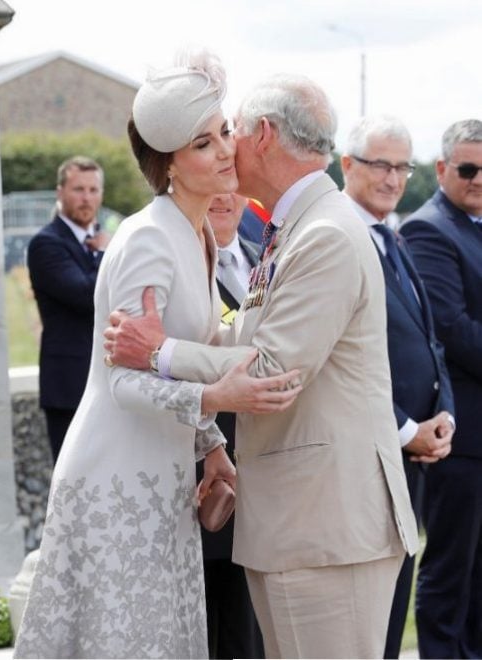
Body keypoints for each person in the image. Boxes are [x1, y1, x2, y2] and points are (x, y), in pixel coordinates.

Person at [104, 74, 419, 659]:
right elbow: (246, 335)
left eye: (232, 132)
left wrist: (158, 352)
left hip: (324, 529)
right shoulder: (298, 227)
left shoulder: (324, 233)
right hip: (303, 525)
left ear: (265, 135)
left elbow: (271, 367)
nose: (226, 148)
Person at [13, 52, 300, 659]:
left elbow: (177, 357)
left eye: (224, 132)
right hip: (116, 471)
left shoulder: (194, 231)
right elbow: (125, 381)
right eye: (204, 143)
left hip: (163, 470)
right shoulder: (147, 238)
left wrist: (213, 444)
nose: (226, 150)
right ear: (168, 162)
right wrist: (215, 401)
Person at [340, 114, 455, 658]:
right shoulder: (339, 237)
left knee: (391, 613)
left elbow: (432, 342)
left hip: (410, 455)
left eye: (401, 167)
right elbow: (341, 364)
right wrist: (407, 429)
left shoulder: (392, 234)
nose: (392, 179)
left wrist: (444, 415)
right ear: (346, 165)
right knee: (364, 625)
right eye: (379, 164)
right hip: (365, 459)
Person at [399, 118, 482, 659]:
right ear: (441, 168)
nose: (479, 179)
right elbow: (452, 330)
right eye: (469, 168)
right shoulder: (430, 229)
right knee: (451, 574)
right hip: (460, 437)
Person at [201, 192, 265, 660]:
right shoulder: (177, 258)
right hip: (206, 472)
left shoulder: (264, 255)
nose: (224, 195)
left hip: (268, 475)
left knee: (254, 631)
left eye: (234, 181)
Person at [27, 156, 108, 463]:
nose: (86, 198)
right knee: (74, 483)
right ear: (60, 192)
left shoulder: (103, 239)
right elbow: (85, 294)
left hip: (109, 380)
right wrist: (105, 253)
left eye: (93, 189)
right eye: (78, 189)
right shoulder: (46, 244)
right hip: (69, 386)